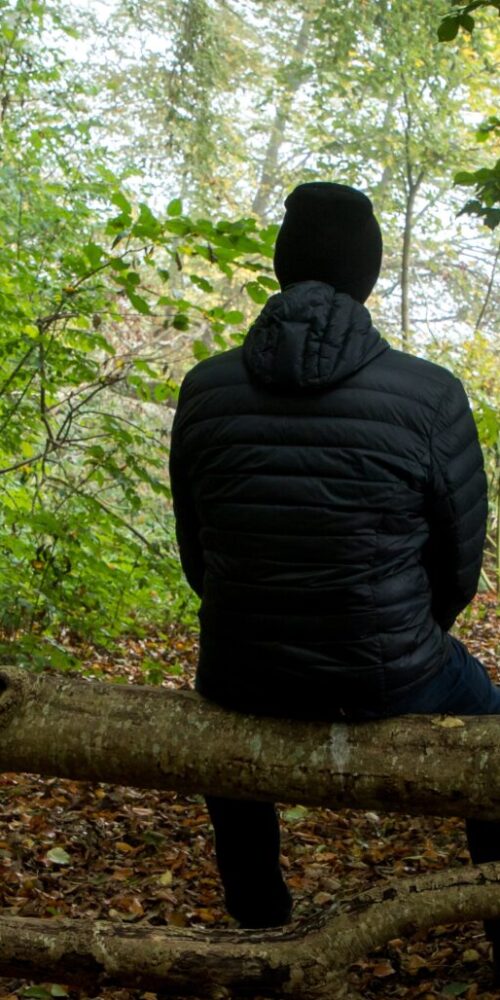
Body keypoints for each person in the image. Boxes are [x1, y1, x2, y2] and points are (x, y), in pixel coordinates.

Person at [169, 182, 498, 966]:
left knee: (226, 703)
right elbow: (459, 565)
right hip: (390, 671)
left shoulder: (205, 389)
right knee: (493, 724)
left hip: (243, 669)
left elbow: (197, 553)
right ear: (368, 274)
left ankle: (260, 924)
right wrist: (399, 637)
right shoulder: (431, 395)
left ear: (282, 265)